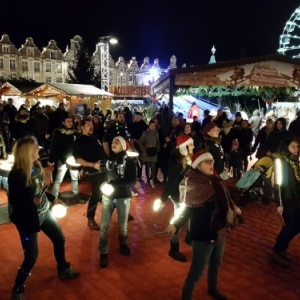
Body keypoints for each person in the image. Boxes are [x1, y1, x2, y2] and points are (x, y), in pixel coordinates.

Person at [8, 136, 80, 300]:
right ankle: (17, 288)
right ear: (26, 151)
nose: (39, 150)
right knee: (31, 257)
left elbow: (40, 190)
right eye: (35, 147)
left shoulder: (36, 166)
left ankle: (62, 268)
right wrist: (31, 201)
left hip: (45, 212)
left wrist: (52, 198)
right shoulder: (17, 174)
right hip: (28, 220)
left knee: (59, 239)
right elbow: (14, 200)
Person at [165, 150, 240, 300]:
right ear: (197, 165)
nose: (211, 164)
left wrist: (233, 207)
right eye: (207, 162)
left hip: (219, 230)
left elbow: (225, 198)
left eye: (212, 161)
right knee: (196, 272)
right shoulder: (191, 183)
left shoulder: (215, 180)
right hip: (203, 233)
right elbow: (186, 207)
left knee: (216, 263)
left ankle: (212, 289)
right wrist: (176, 225)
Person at [98, 136, 136, 268]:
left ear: (123, 146)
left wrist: (114, 183)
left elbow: (132, 181)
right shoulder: (109, 159)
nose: (113, 144)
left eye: (117, 142)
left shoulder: (129, 161)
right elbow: (104, 174)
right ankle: (103, 252)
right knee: (104, 225)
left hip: (123, 197)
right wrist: (103, 184)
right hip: (107, 196)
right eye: (113, 141)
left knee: (122, 226)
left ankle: (123, 243)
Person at [159, 136, 194, 262]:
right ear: (184, 147)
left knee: (190, 215)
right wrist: (163, 199)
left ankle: (189, 238)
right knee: (177, 221)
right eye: (191, 145)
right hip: (179, 197)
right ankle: (173, 249)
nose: (193, 147)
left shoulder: (187, 159)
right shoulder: (178, 163)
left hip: (187, 195)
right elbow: (171, 182)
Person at [73, 119, 108, 230]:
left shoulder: (94, 139)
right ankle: (90, 218)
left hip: (105, 167)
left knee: (112, 190)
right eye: (88, 124)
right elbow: (78, 160)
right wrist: (92, 165)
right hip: (94, 171)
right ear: (82, 127)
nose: (91, 126)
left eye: (91, 124)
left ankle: (122, 212)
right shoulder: (78, 142)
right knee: (96, 194)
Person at [271, 138, 300, 268]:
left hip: (297, 199)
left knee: (297, 226)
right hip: (287, 199)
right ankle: (277, 251)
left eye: (297, 147)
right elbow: (278, 183)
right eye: (293, 146)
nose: (296, 149)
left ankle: (283, 247)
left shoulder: (296, 162)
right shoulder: (280, 161)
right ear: (286, 147)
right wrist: (280, 203)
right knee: (288, 227)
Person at [48, 113, 83, 204]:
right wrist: (51, 160)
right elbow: (53, 147)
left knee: (75, 178)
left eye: (71, 121)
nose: (70, 123)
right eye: (68, 121)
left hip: (73, 159)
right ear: (63, 122)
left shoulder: (74, 132)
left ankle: (76, 194)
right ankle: (54, 196)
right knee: (59, 179)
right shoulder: (58, 133)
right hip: (62, 159)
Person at [139, 120, 160, 187]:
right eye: (151, 125)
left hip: (154, 151)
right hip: (147, 151)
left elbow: (158, 141)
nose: (153, 127)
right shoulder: (145, 133)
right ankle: (148, 179)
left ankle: (152, 179)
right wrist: (143, 151)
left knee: (153, 166)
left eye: (154, 125)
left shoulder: (156, 133)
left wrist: (158, 148)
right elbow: (140, 142)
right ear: (149, 126)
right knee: (147, 166)